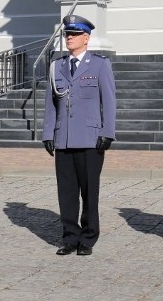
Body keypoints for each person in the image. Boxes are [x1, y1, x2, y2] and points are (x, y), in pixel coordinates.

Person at [42, 14, 116, 256]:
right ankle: (70, 238)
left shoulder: (99, 64)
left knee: (89, 191)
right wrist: (48, 133)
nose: (69, 38)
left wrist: (108, 132)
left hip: (90, 139)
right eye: (67, 34)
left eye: (74, 34)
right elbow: (51, 103)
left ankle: (88, 237)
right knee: (67, 191)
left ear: (87, 38)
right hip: (64, 137)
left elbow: (110, 101)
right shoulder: (57, 66)